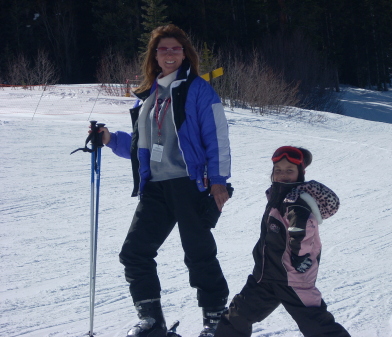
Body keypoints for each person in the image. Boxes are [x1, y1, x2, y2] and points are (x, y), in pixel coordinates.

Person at [92, 24, 231, 337]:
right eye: (164, 49)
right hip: (155, 186)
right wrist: (109, 138)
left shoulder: (198, 89)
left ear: (185, 54)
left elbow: (216, 137)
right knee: (134, 252)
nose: (170, 54)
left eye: (176, 48)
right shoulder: (148, 96)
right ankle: (152, 321)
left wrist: (219, 180)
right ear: (154, 56)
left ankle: (216, 322)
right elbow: (143, 145)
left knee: (198, 254)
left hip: (189, 183)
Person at [215, 146, 351, 337]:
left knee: (317, 325)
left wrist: (299, 256)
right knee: (236, 317)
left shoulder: (296, 200)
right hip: (264, 276)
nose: (283, 175)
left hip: (292, 278)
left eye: (289, 171)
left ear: (300, 173)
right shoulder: (279, 195)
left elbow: (302, 230)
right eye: (278, 170)